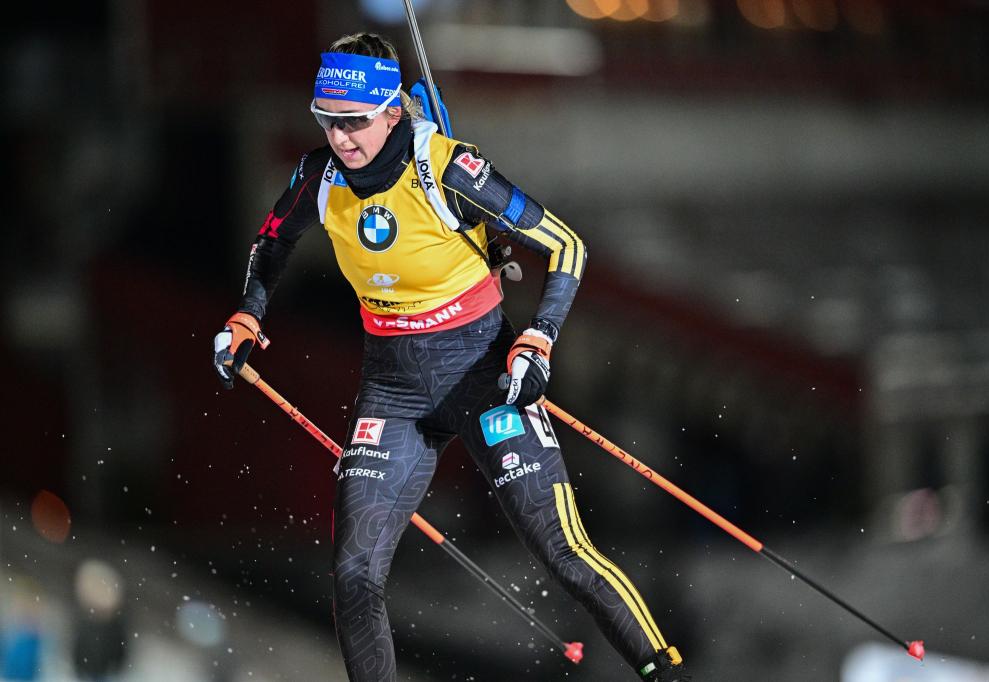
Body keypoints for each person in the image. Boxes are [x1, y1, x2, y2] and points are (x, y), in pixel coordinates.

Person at [212, 32, 687, 682]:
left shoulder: (448, 168)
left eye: (354, 122)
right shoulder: (317, 178)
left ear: (389, 112)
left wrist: (540, 336)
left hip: (484, 378)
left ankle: (663, 669)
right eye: (328, 121)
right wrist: (248, 314)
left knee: (562, 550)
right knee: (353, 574)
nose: (341, 138)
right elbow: (271, 243)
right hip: (394, 394)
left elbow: (566, 246)